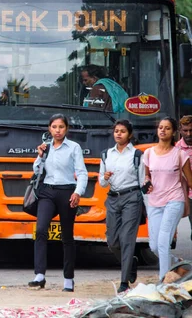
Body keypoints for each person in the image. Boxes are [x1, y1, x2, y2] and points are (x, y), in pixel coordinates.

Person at [29, 114, 88, 292]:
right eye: (54, 127)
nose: (57, 130)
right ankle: (39, 275)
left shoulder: (74, 147)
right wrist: (40, 156)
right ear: (49, 129)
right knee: (40, 230)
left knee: (67, 236)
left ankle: (68, 279)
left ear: (66, 129)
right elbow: (37, 171)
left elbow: (82, 173)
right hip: (47, 191)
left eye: (61, 127)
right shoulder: (46, 148)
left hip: (67, 191)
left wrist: (78, 192)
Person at [99, 120, 145, 293]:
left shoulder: (137, 155)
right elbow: (102, 183)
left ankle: (124, 281)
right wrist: (105, 177)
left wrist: (146, 206)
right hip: (112, 197)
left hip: (132, 197)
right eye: (116, 131)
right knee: (112, 241)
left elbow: (142, 181)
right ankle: (131, 262)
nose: (118, 134)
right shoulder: (106, 154)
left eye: (123, 131)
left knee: (126, 239)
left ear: (130, 134)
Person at [144, 117, 192, 281]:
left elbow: (190, 181)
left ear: (173, 133)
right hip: (155, 202)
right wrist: (147, 183)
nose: (163, 130)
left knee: (164, 242)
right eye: (161, 128)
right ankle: (177, 264)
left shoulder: (180, 154)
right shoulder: (149, 153)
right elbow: (147, 176)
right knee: (154, 246)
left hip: (174, 200)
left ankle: (163, 281)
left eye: (167, 128)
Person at [176, 115, 192, 240]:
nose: (188, 134)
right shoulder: (176, 149)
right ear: (180, 130)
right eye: (185, 130)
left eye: (191, 130)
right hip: (188, 195)